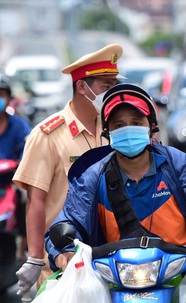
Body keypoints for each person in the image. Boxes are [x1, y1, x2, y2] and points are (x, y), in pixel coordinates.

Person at [44, 83, 186, 272]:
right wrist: (64, 251)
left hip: (183, 274)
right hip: (113, 278)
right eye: (119, 125)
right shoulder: (94, 176)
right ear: (107, 133)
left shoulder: (176, 163)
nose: (128, 130)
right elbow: (69, 220)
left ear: (151, 127)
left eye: (136, 123)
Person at [13, 44, 123, 296]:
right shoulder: (48, 135)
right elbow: (35, 201)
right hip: (63, 259)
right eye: (106, 87)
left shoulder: (115, 130)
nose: (113, 93)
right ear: (82, 87)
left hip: (112, 257)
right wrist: (34, 258)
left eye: (115, 85)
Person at [0, 73, 31, 262]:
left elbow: (29, 151)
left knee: (29, 198)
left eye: (1, 94)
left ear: (9, 98)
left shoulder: (19, 126)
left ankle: (25, 247)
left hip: (12, 179)